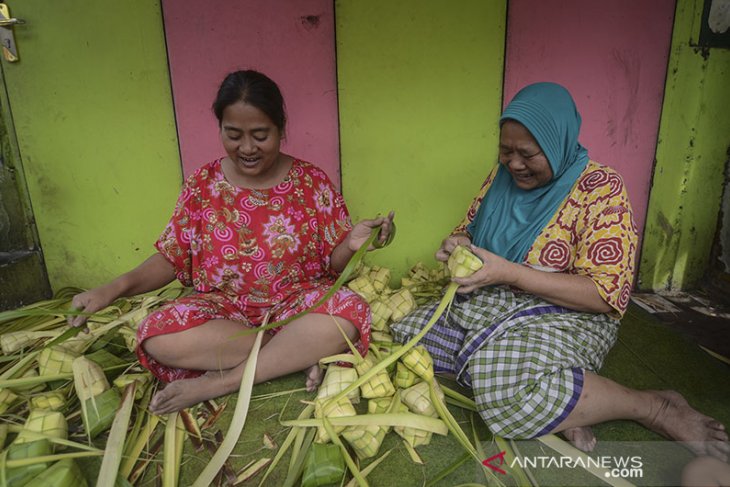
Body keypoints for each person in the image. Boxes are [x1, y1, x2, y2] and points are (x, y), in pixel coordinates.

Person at [390, 82, 729, 461]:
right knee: (407, 335)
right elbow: (469, 229)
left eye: (527, 154)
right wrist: (459, 245)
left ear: (557, 142)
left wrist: (512, 274)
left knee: (500, 381)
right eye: (505, 151)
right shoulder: (502, 180)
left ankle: (653, 407)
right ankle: (572, 400)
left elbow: (603, 296)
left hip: (567, 316)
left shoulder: (601, 190)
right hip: (491, 304)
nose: (514, 163)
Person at [69, 70, 394, 415]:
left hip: (297, 305)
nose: (248, 148)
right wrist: (112, 289)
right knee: (155, 333)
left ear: (281, 129)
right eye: (234, 134)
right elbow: (172, 257)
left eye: (260, 135)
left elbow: (335, 264)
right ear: (220, 128)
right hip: (224, 311)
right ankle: (289, 355)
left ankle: (222, 381)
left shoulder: (310, 182)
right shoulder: (203, 184)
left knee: (348, 312)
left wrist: (354, 245)